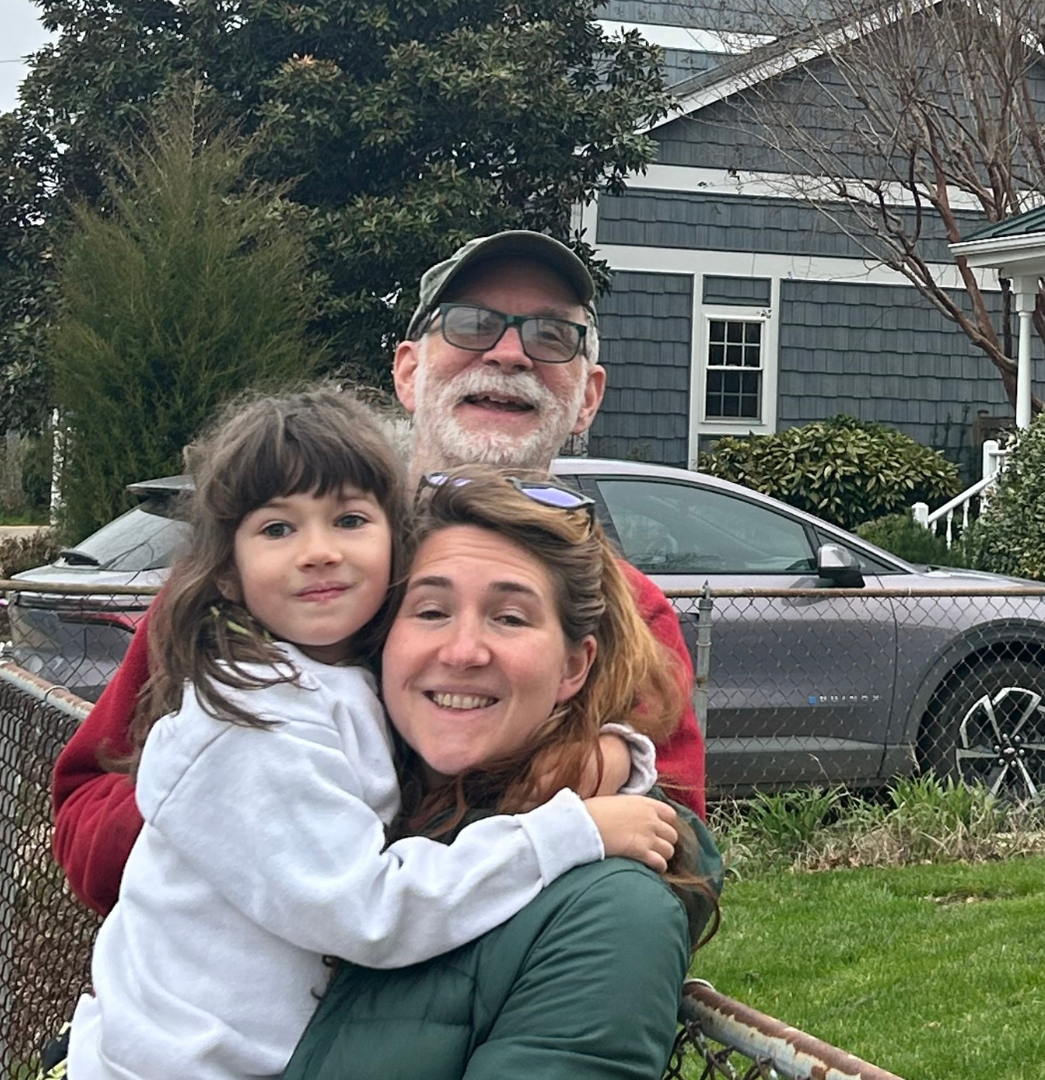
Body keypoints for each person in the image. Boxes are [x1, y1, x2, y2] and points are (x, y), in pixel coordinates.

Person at [51, 231, 709, 915]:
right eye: (471, 324)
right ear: (408, 372)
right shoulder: (259, 585)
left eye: (552, 336)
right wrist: (238, 802)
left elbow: (676, 866)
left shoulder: (628, 610)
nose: (510, 353)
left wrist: (579, 771)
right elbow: (84, 812)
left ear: (589, 397)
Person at [67, 391, 685, 1080]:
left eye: (350, 519)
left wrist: (610, 754)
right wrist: (567, 832)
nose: (318, 552)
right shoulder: (253, 719)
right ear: (226, 577)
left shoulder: (337, 680)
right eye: (278, 529)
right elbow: (369, 909)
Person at [282, 465, 720, 1080]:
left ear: (573, 667)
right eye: (430, 611)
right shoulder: (328, 804)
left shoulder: (609, 910)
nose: (463, 651)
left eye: (510, 618)